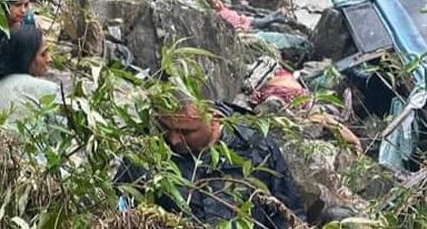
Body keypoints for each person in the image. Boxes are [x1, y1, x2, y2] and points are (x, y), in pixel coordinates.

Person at [121, 95, 306, 228]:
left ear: (214, 119)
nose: (174, 139)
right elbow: (121, 208)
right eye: (166, 128)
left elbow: (288, 213)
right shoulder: (146, 150)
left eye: (185, 132)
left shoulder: (255, 145)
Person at [0, 25, 62, 130]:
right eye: (43, 54)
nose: (49, 59)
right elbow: (59, 136)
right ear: (27, 57)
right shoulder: (48, 90)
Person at [210, 0, 286, 31]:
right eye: (214, 4)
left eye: (217, 1)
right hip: (248, 24)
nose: (217, 4)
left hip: (248, 20)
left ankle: (280, 12)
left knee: (265, 19)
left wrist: (242, 16)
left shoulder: (225, 9)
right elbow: (231, 27)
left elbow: (236, 15)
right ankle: (281, 15)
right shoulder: (219, 15)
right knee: (266, 21)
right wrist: (243, 26)